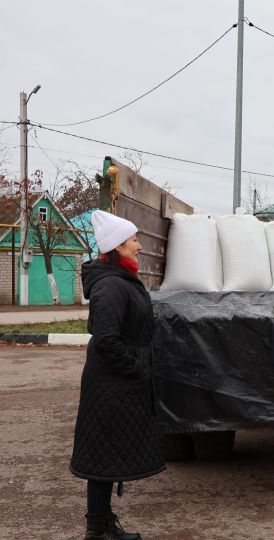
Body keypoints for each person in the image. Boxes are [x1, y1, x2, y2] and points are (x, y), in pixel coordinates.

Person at [70, 210, 165, 539]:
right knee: (101, 456)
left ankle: (101, 525)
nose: (140, 246)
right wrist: (135, 367)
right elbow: (107, 339)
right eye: (134, 240)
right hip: (111, 383)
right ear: (117, 246)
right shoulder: (111, 285)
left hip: (116, 382)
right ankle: (97, 530)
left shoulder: (120, 280)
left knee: (105, 455)